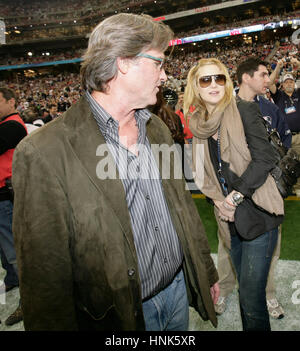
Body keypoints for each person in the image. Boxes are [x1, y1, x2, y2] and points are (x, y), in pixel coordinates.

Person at [12, 13, 219, 331]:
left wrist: (206, 270)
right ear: (123, 61)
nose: (165, 76)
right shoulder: (43, 151)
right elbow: (44, 273)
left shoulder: (158, 129)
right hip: (118, 315)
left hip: (177, 294)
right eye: (158, 63)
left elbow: (182, 208)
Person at [184, 58, 284, 331]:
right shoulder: (199, 123)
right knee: (244, 294)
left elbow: (265, 159)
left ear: (228, 82)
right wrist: (219, 202)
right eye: (206, 80)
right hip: (229, 221)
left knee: (252, 300)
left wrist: (233, 199)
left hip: (259, 214)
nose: (214, 84)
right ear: (196, 86)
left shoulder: (243, 110)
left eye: (220, 78)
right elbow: (204, 173)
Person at [213, 57, 291, 319]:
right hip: (230, 198)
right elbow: (216, 155)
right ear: (246, 77)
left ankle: (268, 295)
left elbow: (282, 143)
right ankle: (225, 289)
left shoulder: (269, 107)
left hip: (262, 197)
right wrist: (223, 197)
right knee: (227, 247)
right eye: (263, 75)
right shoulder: (225, 107)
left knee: (269, 253)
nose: (268, 80)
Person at [0, 87, 27, 326]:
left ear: (11, 102)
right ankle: (11, 278)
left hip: (6, 197)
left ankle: (27, 302)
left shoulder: (12, 126)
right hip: (2, 197)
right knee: (6, 251)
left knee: (15, 252)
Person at [269, 57, 300, 196]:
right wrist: (278, 67)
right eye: (286, 81)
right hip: (285, 137)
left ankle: (298, 187)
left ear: (295, 84)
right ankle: (290, 187)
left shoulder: (298, 94)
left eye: (291, 81)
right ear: (282, 84)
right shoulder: (279, 96)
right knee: (287, 164)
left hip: (299, 136)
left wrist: (298, 65)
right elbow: (269, 83)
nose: (289, 83)